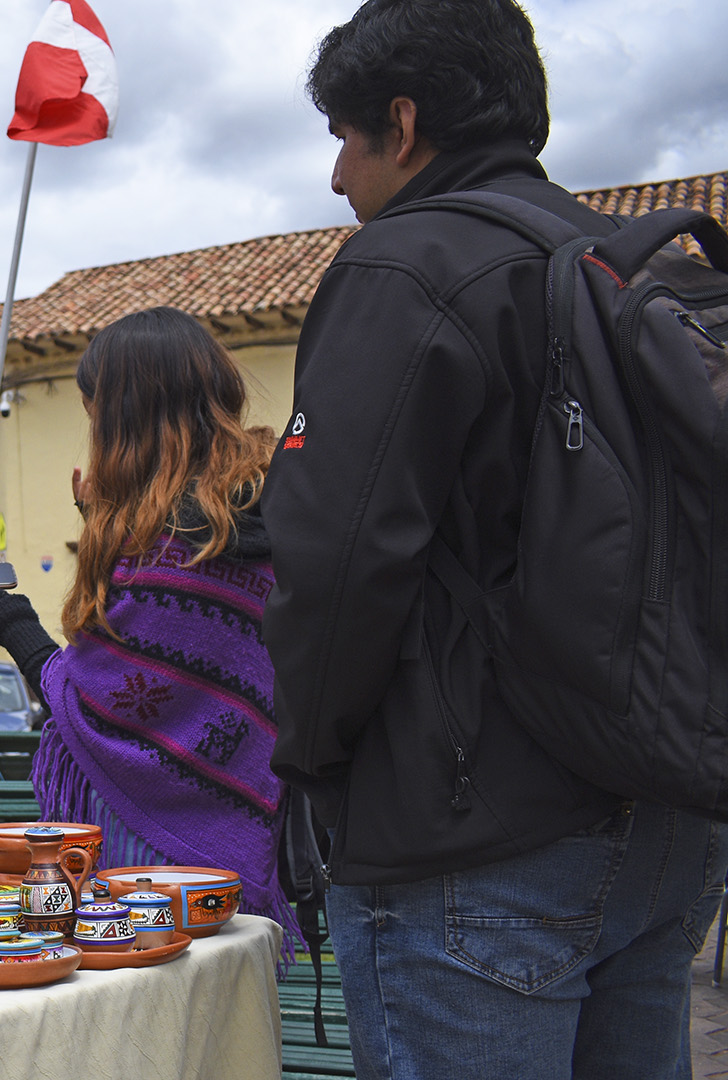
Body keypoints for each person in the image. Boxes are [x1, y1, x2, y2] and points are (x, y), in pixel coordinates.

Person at [260, 2, 728, 1075]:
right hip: (663, 823)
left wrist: (316, 771)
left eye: (344, 137)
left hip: (475, 842)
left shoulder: (409, 264)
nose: (337, 179)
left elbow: (338, 566)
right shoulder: (625, 266)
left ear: (404, 122)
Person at [0, 307, 299, 946]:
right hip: (237, 863)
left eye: (94, 414)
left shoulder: (165, 547)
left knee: (144, 1020)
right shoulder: (279, 512)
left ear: (124, 419)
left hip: (145, 868)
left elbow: (92, 698)